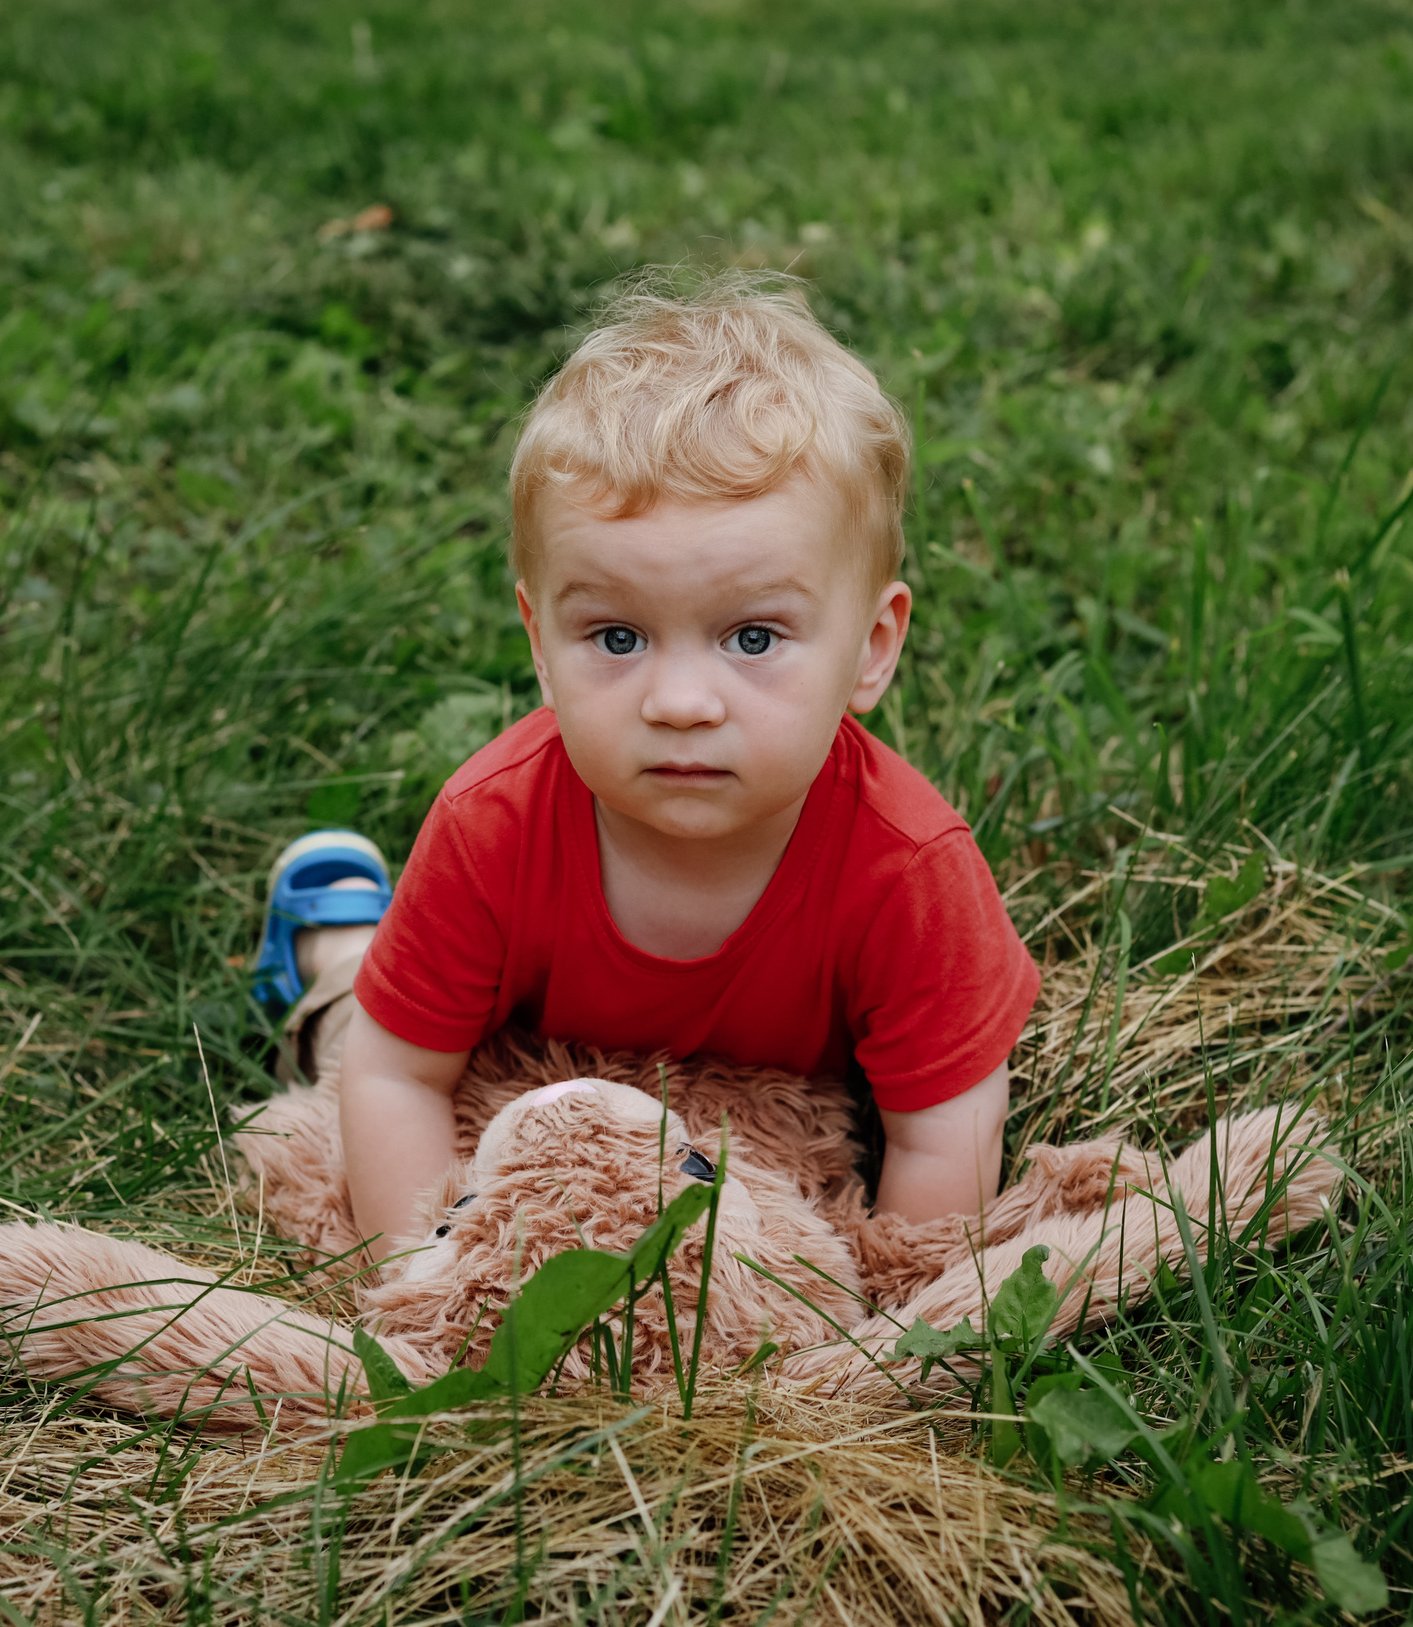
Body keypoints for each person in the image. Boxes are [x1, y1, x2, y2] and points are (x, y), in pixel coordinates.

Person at [251, 274, 1040, 1257]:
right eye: (617, 636)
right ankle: (329, 957)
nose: (678, 701)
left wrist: (888, 1317)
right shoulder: (493, 824)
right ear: (540, 641)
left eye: (752, 638)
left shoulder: (907, 868)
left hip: (759, 1140)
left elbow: (945, 1129)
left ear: (872, 647)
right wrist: (420, 1272)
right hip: (517, 1079)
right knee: (355, 1032)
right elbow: (396, 1077)